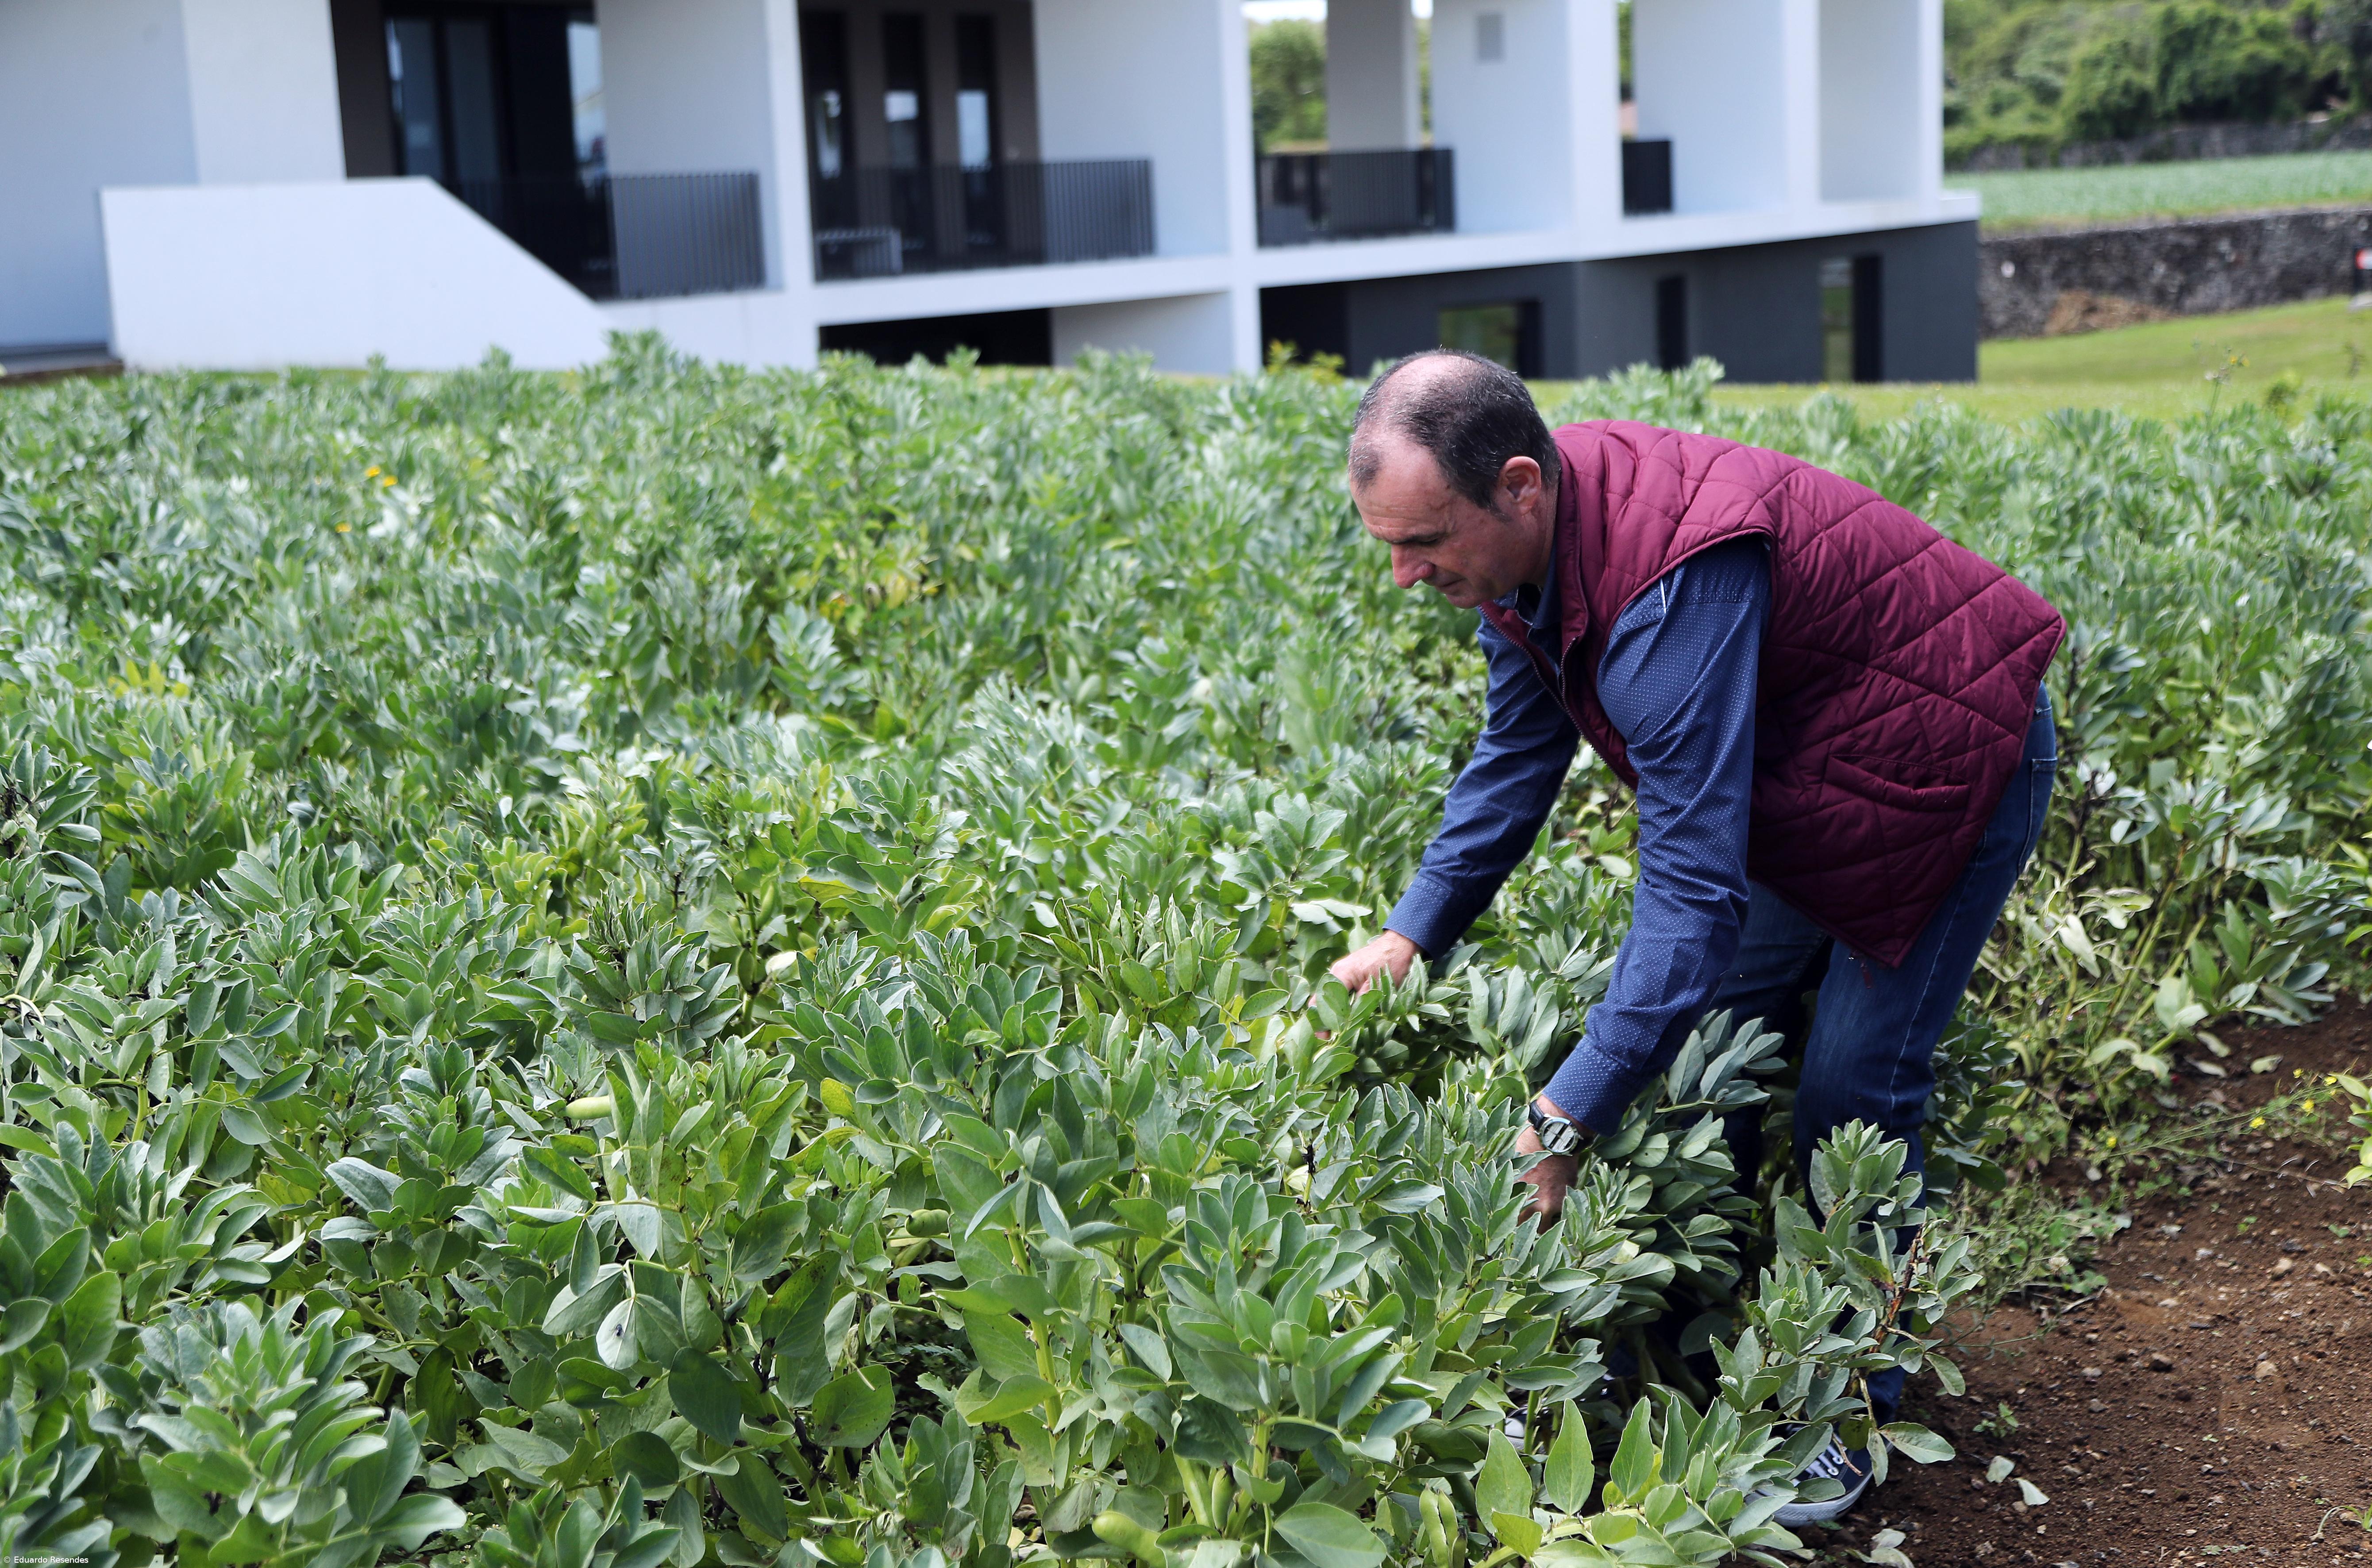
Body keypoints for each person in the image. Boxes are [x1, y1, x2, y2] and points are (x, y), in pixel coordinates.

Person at [1330, 350, 2062, 1522]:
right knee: (1702, 1054)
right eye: (1392, 548)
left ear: (1521, 484)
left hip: (1951, 755)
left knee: (1852, 1093)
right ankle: (1685, 1353)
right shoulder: (1523, 568)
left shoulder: (1672, 578)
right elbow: (1516, 762)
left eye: (1425, 543)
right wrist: (1413, 934)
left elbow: (1690, 890)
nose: (1411, 575)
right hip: (1806, 770)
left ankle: (1843, 1413)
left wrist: (1562, 1118)